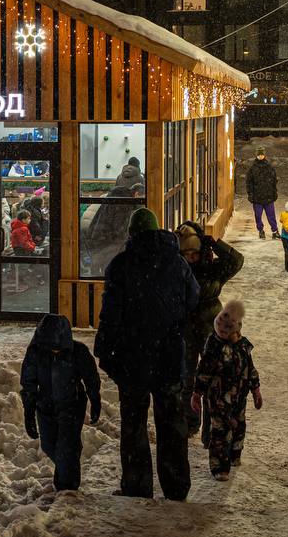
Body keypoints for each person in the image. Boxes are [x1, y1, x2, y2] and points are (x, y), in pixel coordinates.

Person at [94, 207, 199, 500]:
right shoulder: (177, 263)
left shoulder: (121, 265)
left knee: (134, 424)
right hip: (169, 356)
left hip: (133, 358)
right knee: (171, 423)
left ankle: (137, 485)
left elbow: (110, 315)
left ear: (132, 233)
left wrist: (104, 350)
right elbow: (193, 298)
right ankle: (176, 485)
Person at [176, 220, 244, 435]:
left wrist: (215, 244)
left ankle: (210, 428)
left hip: (211, 330)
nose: (191, 258)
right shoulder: (177, 271)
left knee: (212, 379)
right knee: (187, 378)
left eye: (194, 253)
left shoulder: (213, 269)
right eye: (186, 254)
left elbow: (237, 260)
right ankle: (190, 422)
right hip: (186, 330)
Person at [20, 314, 101, 491]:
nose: (55, 352)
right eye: (51, 349)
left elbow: (91, 378)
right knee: (49, 445)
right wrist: (29, 413)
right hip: (45, 406)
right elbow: (28, 383)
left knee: (65, 449)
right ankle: (69, 467)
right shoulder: (36, 353)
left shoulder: (78, 352)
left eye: (58, 349)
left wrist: (95, 400)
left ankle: (67, 490)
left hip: (72, 406)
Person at [191, 298, 262, 480]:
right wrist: (197, 393)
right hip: (218, 398)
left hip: (239, 397)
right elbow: (204, 370)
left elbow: (250, 369)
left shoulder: (243, 346)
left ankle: (234, 455)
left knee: (238, 426)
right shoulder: (214, 345)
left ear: (236, 329)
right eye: (219, 328)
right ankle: (219, 467)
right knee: (220, 431)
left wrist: (256, 389)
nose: (221, 333)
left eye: (226, 330)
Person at [245, 148, 279, 238]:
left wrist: (274, 192)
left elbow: (274, 181)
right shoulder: (252, 169)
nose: (260, 156)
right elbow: (249, 183)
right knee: (258, 216)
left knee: (271, 216)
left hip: (268, 197)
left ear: (264, 155)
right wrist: (250, 194)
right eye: (259, 155)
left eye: (262, 154)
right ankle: (260, 231)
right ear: (256, 155)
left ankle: (275, 231)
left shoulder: (269, 167)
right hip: (257, 198)